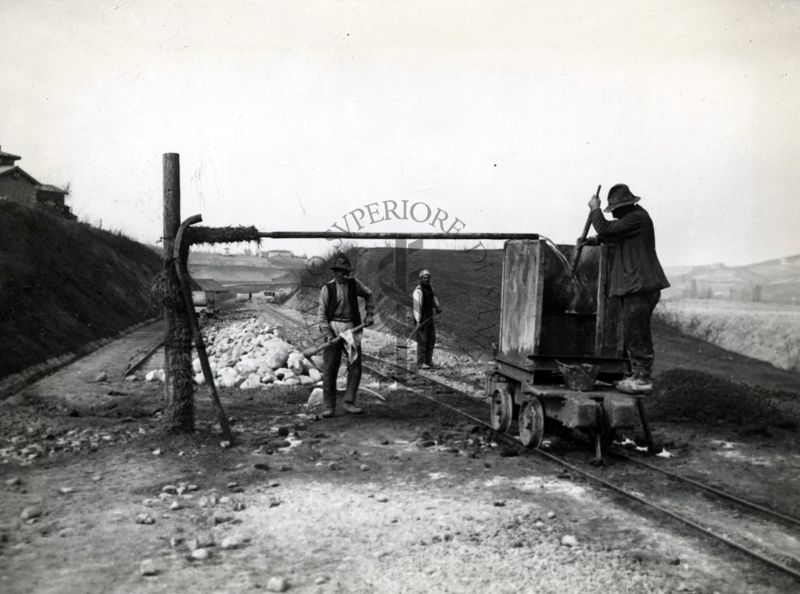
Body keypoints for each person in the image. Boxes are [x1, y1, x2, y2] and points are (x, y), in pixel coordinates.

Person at [581, 184, 670, 394]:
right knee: (632, 332)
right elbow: (611, 234)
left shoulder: (638, 218)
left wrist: (595, 209)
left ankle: (642, 379)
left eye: (617, 210)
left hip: (640, 286)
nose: (615, 215)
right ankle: (637, 375)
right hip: (635, 286)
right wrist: (594, 241)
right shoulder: (631, 220)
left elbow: (606, 228)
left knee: (637, 332)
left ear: (626, 206)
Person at [317, 254, 375, 417]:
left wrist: (369, 314)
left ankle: (349, 402)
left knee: (355, 366)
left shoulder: (354, 284)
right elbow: (321, 315)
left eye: (345, 272)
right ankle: (329, 406)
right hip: (334, 328)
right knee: (330, 367)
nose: (343, 275)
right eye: (340, 272)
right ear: (334, 272)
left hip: (352, 328)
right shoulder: (327, 289)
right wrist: (328, 334)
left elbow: (369, 295)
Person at [412, 269, 443, 369]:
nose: (427, 280)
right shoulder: (418, 291)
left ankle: (429, 361)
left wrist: (437, 307)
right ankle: (420, 363)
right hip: (421, 319)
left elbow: (433, 298)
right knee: (422, 341)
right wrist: (417, 321)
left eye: (428, 278)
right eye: (425, 278)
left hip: (429, 318)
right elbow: (416, 307)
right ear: (420, 279)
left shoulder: (430, 288)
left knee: (431, 339)